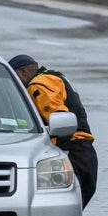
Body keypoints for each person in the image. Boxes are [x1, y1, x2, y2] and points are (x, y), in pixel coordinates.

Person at [11, 54, 98, 206]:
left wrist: (56, 154)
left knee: (64, 207)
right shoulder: (54, 77)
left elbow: (59, 118)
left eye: (14, 78)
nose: (15, 86)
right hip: (85, 150)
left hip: (73, 152)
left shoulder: (37, 86)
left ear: (24, 72)